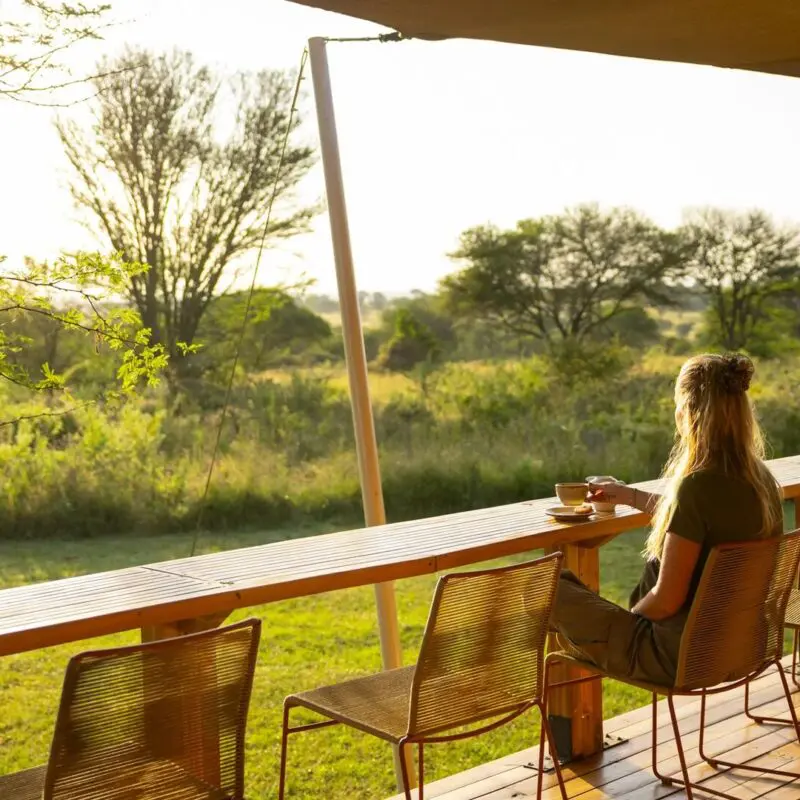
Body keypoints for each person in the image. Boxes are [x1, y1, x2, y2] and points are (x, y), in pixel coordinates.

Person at [551, 353, 784, 685]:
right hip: (740, 649)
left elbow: (666, 601)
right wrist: (630, 496)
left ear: (688, 413)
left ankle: (556, 720)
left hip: (677, 658)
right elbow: (697, 517)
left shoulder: (697, 487)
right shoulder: (761, 483)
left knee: (549, 587)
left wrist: (628, 624)